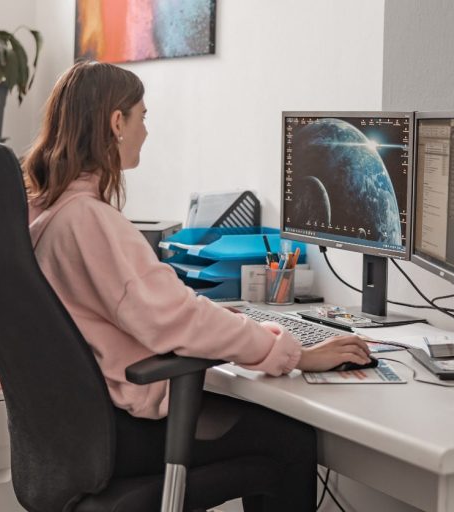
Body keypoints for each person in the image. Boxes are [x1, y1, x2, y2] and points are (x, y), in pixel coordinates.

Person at [22, 61, 372, 511]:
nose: (146, 131)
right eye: (142, 116)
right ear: (116, 123)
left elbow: (159, 312)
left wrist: (236, 324)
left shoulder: (47, 215)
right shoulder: (89, 221)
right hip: (126, 430)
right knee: (289, 439)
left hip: (84, 432)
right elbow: (175, 320)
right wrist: (293, 353)